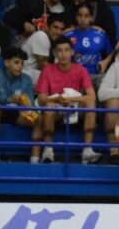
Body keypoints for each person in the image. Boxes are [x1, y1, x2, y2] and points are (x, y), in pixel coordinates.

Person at [34, 35, 100, 163]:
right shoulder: (47, 70)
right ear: (54, 53)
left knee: (90, 102)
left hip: (74, 105)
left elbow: (91, 96)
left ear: (72, 52)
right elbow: (41, 98)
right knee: (49, 106)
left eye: (66, 50)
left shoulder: (81, 70)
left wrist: (71, 99)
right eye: (59, 50)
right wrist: (57, 99)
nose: (63, 54)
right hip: (56, 106)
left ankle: (87, 150)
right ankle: (48, 151)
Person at [0, 46, 43, 163]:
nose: (20, 66)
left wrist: (26, 102)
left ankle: (35, 160)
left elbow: (31, 105)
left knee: (38, 119)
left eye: (22, 63)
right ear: (7, 62)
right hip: (0, 110)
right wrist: (9, 100)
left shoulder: (27, 79)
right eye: (16, 62)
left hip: (17, 112)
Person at [64, 2, 114, 80]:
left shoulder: (100, 34)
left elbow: (111, 52)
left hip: (96, 75)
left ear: (91, 18)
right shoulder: (67, 35)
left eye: (86, 16)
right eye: (80, 15)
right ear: (76, 17)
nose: (83, 19)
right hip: (75, 77)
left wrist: (106, 62)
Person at [22, 12, 66, 84]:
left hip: (33, 74)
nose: (59, 32)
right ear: (47, 27)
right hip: (23, 73)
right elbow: (44, 67)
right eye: (55, 27)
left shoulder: (55, 41)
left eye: (62, 29)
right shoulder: (41, 36)